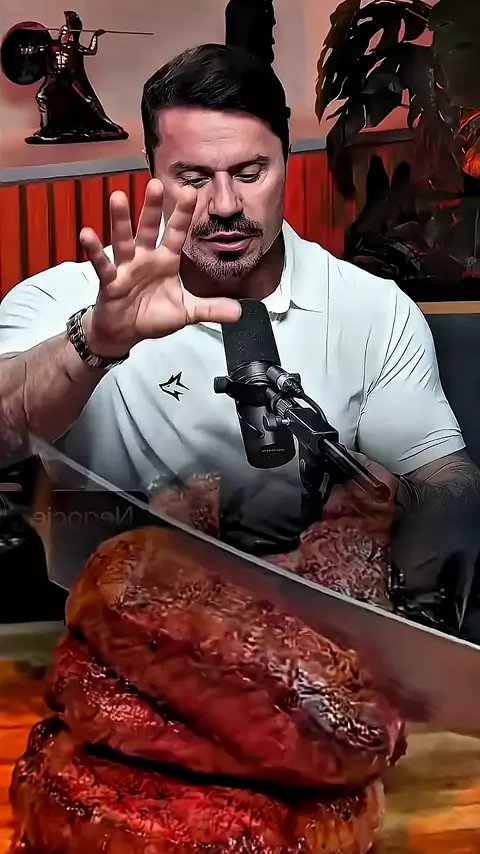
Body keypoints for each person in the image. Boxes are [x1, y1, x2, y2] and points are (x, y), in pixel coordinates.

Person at [0, 43, 479, 638]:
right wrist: (94, 341)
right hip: (115, 642)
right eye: (194, 177)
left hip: (316, 645)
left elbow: (443, 478)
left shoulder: (372, 309)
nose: (225, 205)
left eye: (250, 173)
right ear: (153, 172)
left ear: (287, 159)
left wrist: (412, 567)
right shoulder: (61, 300)